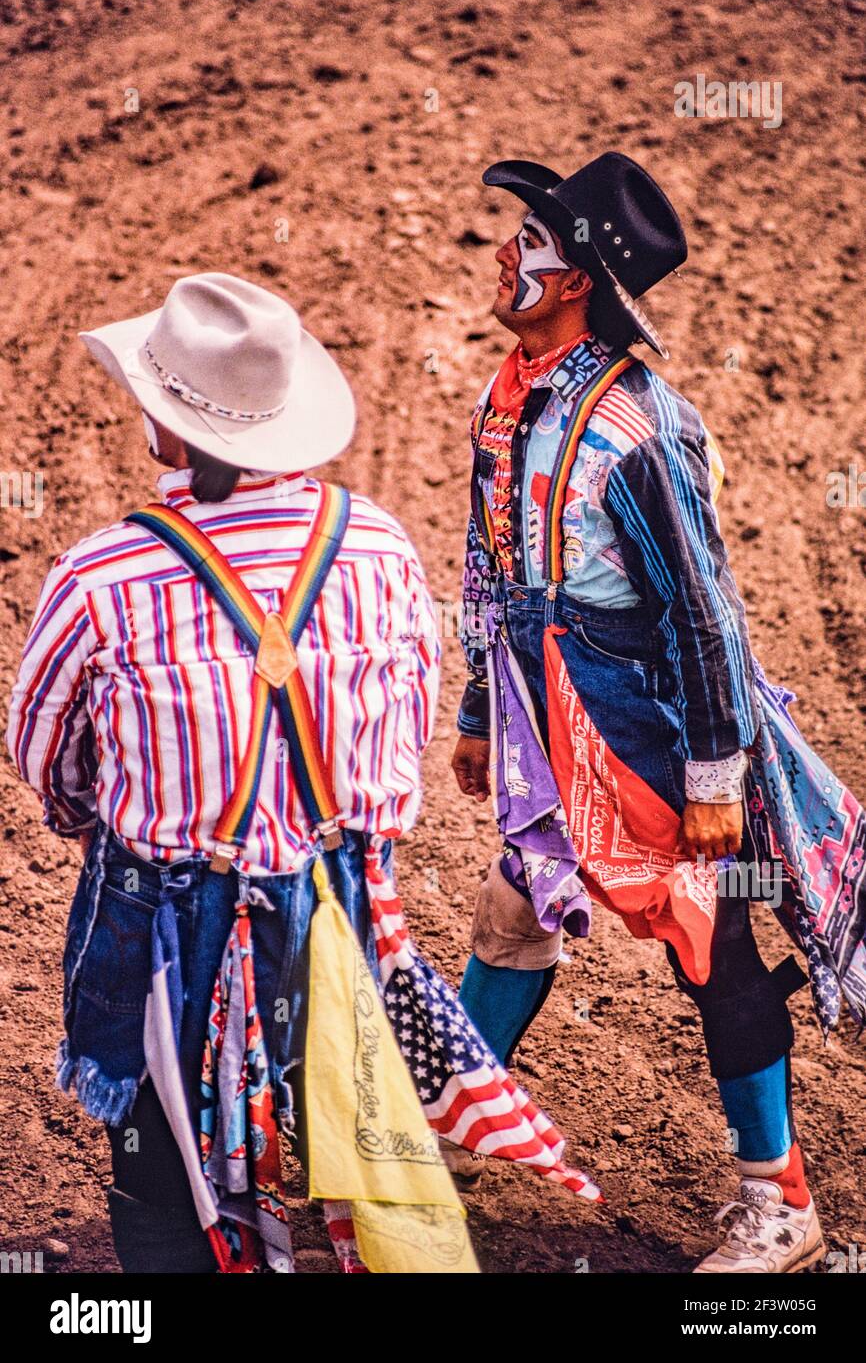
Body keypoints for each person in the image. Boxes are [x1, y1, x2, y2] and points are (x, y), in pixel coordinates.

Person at [7, 272, 598, 1274]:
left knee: (159, 1173)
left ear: (172, 425)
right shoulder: (376, 546)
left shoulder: (100, 577)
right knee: (348, 1125)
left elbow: (48, 763)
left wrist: (119, 812)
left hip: (161, 924)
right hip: (342, 911)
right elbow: (404, 731)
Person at [449, 152, 866, 1273]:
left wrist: (715, 777)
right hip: (552, 723)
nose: (503, 253)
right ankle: (426, 1125)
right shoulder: (505, 399)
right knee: (518, 898)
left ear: (577, 275)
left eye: (530, 241)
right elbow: (488, 567)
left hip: (643, 725)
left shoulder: (638, 428)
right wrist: (484, 708)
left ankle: (777, 1203)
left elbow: (705, 612)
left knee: (712, 938)